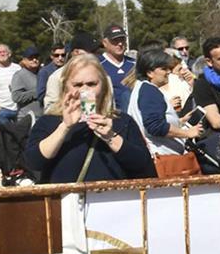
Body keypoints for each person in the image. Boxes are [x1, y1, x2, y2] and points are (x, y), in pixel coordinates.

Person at [25, 54, 155, 183]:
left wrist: (111, 137)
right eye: (77, 85)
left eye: (92, 84)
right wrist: (64, 127)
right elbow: (34, 162)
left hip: (112, 199)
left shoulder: (122, 121)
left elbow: (144, 167)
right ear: (65, 87)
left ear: (103, 86)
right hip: (65, 200)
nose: (85, 90)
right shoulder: (48, 121)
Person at [127, 48, 205, 160]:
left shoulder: (142, 88)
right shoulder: (149, 91)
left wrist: (180, 121)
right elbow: (155, 126)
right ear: (149, 72)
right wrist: (187, 133)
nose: (168, 72)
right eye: (164, 69)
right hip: (162, 158)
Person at [100, 24, 135, 108]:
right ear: (105, 43)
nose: (120, 44)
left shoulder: (134, 64)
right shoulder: (97, 65)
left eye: (122, 40)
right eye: (115, 40)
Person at [9, 46, 43, 121]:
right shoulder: (19, 75)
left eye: (36, 57)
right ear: (24, 60)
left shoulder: (43, 72)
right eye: (30, 58)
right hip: (27, 118)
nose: (34, 60)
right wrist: (37, 92)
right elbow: (16, 97)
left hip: (43, 116)